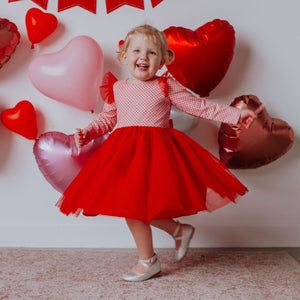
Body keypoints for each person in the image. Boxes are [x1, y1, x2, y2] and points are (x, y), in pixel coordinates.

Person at [56, 24, 256, 282]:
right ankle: (176, 231)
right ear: (124, 56)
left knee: (137, 207)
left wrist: (237, 114)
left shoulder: (166, 85)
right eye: (137, 50)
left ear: (163, 60)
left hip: (156, 154)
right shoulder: (118, 88)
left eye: (152, 53)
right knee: (133, 206)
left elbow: (201, 107)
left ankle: (149, 260)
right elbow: (107, 120)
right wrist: (88, 132)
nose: (144, 57)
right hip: (124, 154)